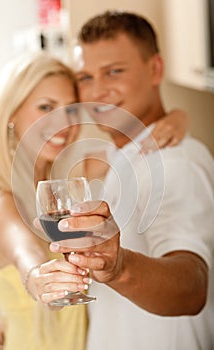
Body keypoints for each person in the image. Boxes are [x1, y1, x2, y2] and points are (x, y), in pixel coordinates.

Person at [0, 51, 187, 349]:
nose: (62, 123)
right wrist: (38, 280)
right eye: (46, 107)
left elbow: (135, 150)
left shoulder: (60, 183)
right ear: (11, 116)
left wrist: (178, 117)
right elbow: (27, 257)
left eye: (70, 110)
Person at [47, 11, 214, 350]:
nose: (99, 90)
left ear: (155, 69)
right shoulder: (119, 159)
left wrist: (118, 267)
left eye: (114, 72)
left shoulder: (174, 163)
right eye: (86, 76)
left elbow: (192, 287)